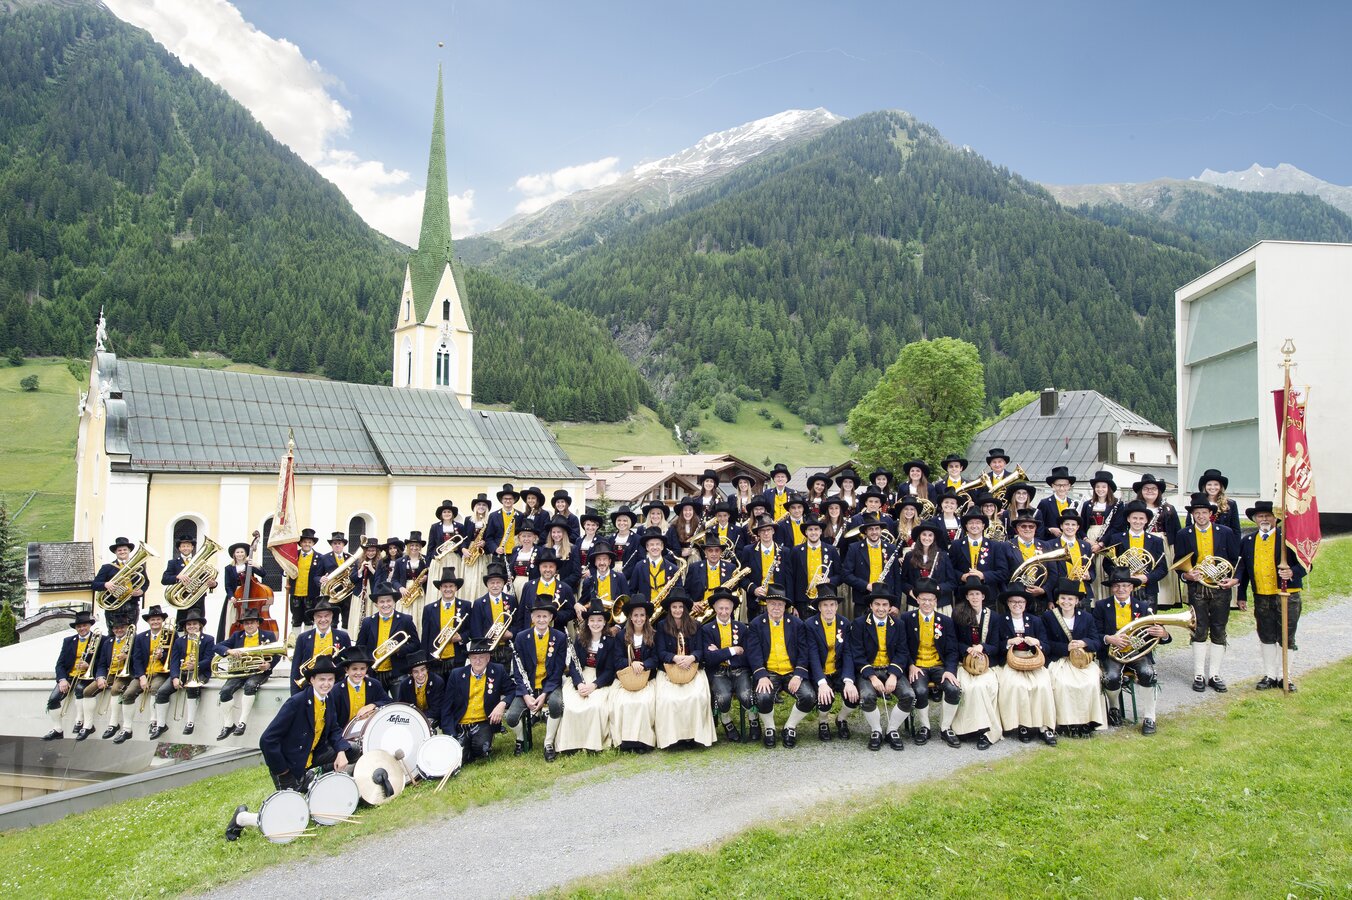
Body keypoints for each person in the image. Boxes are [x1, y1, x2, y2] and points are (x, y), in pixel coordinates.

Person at [1236, 500, 1308, 691]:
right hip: (1261, 595)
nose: (1264, 519)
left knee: (1287, 635)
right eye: (1260, 516)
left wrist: (1292, 572)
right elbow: (1243, 571)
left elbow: (1306, 562)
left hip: (1287, 594)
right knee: (1266, 634)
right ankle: (1270, 675)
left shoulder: (1288, 538)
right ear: (1254, 519)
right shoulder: (1247, 541)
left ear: (1276, 519)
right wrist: (1241, 595)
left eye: (1268, 515)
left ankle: (1285, 676)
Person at [1175, 492, 1241, 693]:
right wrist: (1187, 575)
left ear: (1211, 514)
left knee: (1219, 629)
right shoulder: (1183, 534)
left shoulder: (1225, 532)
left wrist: (1233, 578)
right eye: (1197, 513)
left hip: (1220, 587)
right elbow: (1178, 563)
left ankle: (1214, 674)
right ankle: (1198, 674)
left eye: (1204, 512)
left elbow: (1235, 559)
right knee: (1199, 629)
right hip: (1197, 588)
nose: (1201, 516)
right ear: (1192, 514)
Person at [255, 655, 349, 795]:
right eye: (322, 679)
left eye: (330, 679)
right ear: (312, 680)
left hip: (310, 755)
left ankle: (323, 780)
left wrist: (341, 752)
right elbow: (267, 739)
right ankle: (305, 780)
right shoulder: (296, 702)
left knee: (352, 750)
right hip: (289, 762)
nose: (326, 684)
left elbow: (334, 729)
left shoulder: (328, 698)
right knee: (293, 806)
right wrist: (283, 770)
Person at [1096, 568, 1168, 734]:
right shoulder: (1101, 606)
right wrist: (1109, 638)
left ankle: (1150, 717)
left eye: (1125, 585)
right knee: (1111, 677)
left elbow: (1157, 632)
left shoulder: (1143, 607)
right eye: (1116, 586)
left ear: (1131, 588)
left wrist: (1163, 634)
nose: (1121, 589)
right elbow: (1095, 633)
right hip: (1113, 652)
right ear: (1111, 588)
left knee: (1148, 673)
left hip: (1137, 652)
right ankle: (1114, 708)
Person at [746, 587, 814, 748]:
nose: (776, 607)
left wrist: (798, 674)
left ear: (785, 607)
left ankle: (790, 727)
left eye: (780, 604)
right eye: (772, 603)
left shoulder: (797, 624)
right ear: (766, 604)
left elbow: (804, 651)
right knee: (763, 697)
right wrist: (761, 675)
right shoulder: (756, 624)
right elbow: (753, 652)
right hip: (769, 672)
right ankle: (769, 727)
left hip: (792, 672)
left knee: (809, 696)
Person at [992, 585, 1057, 745]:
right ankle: (1023, 725)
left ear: (1026, 604)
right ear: (1007, 603)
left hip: (1033, 659)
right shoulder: (1000, 620)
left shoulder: (1035, 620)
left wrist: (1037, 642)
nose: (1017, 605)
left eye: (1020, 602)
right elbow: (994, 646)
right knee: (1017, 686)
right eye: (1013, 602)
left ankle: (1044, 726)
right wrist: (1008, 642)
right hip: (1011, 660)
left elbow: (1047, 646)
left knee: (1042, 685)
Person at [850, 584, 912, 750]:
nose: (881, 608)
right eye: (877, 604)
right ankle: (876, 730)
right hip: (869, 670)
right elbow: (857, 654)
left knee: (908, 695)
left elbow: (902, 652)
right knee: (868, 696)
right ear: (871, 605)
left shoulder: (898, 624)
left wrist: (893, 675)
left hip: (891, 669)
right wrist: (872, 677)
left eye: (885, 604)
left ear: (890, 607)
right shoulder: (859, 624)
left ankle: (892, 729)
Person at [1041, 579, 1106, 737]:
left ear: (1077, 601)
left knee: (1090, 681)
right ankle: (1066, 722)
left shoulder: (1086, 617)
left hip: (1081, 661)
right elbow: (1045, 643)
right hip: (1060, 659)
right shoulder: (1048, 616)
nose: (1066, 602)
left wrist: (1084, 643)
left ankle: (1087, 722)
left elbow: (1096, 641)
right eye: (1063, 598)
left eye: (1070, 599)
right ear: (1058, 600)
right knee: (1063, 683)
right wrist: (1065, 647)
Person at [505, 598, 567, 760]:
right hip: (528, 687)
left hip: (549, 685)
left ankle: (548, 742)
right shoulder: (521, 637)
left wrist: (544, 694)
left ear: (551, 618)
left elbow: (557, 671)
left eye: (545, 616)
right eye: (538, 616)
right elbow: (518, 671)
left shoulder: (559, 637)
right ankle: (521, 738)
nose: (541, 620)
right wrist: (526, 695)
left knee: (556, 704)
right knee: (511, 717)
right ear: (532, 618)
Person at [654, 589, 716, 749]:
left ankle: (694, 737)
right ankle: (673, 738)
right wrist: (674, 658)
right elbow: (660, 652)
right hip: (670, 669)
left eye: (680, 607)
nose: (677, 610)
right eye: (674, 607)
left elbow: (700, 650)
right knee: (668, 699)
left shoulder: (696, 625)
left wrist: (691, 657)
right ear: (669, 609)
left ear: (685, 608)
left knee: (697, 697)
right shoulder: (661, 626)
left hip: (692, 667)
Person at [902, 579, 961, 746]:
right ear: (917, 600)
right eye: (923, 599)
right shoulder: (907, 618)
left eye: (931, 600)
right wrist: (910, 665)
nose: (927, 603)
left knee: (953, 689)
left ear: (936, 601)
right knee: (920, 690)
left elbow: (952, 650)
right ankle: (925, 727)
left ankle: (945, 728)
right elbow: (901, 646)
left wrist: (950, 670)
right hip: (918, 666)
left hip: (939, 666)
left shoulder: (946, 621)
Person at [555, 601, 616, 753]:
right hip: (581, 676)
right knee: (571, 706)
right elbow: (573, 665)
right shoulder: (580, 639)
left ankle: (592, 744)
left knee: (595, 706)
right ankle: (571, 745)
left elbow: (610, 670)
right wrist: (579, 684)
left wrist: (594, 685)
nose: (596, 624)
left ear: (604, 622)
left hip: (600, 679)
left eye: (599, 620)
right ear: (587, 622)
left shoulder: (610, 641)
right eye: (592, 620)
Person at [949, 577, 1002, 750]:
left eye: (977, 594)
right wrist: (968, 649)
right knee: (967, 687)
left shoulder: (993, 617)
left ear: (983, 596)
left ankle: (986, 730)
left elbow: (996, 646)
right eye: (971, 594)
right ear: (967, 596)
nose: (974, 597)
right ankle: (966, 729)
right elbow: (954, 642)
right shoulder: (958, 614)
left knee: (984, 686)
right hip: (965, 663)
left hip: (986, 665)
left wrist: (982, 647)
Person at [802, 586, 857, 742]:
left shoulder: (844, 623)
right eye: (825, 605)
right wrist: (821, 682)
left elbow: (847, 653)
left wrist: (848, 680)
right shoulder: (810, 624)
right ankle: (823, 721)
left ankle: (841, 719)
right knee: (825, 698)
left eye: (832, 604)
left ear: (837, 606)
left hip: (838, 671)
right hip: (819, 671)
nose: (829, 609)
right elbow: (812, 655)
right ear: (819, 607)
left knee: (853, 697)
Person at [212, 610, 279, 740]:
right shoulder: (237, 636)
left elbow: (276, 655)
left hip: (258, 671)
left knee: (250, 685)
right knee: (225, 691)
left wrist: (268, 665)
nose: (249, 625)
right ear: (243, 625)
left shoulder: (268, 635)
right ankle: (228, 724)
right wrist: (229, 651)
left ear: (258, 623)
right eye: (246, 623)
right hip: (239, 672)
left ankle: (242, 722)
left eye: (252, 622)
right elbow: (217, 646)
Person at [700, 587, 756, 743]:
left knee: (746, 696)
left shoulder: (742, 628)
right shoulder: (706, 629)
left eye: (727, 608)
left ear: (732, 609)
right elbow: (709, 659)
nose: (724, 612)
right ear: (714, 608)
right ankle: (726, 721)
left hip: (740, 670)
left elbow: (746, 655)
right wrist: (732, 650)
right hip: (718, 672)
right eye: (720, 608)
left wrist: (720, 653)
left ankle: (753, 719)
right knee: (723, 698)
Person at [442, 638, 510, 763]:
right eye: (474, 657)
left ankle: (481, 742)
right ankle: (465, 748)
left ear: (488, 658)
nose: (477, 661)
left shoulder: (498, 671)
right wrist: (450, 734)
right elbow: (447, 706)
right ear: (469, 658)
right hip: (461, 723)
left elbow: (513, 690)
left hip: (482, 722)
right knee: (457, 757)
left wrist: (502, 704)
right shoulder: (456, 674)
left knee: (482, 749)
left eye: (481, 657)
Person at [608, 594, 658, 752]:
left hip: (646, 678)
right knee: (622, 702)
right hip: (626, 679)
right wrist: (631, 663)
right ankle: (626, 741)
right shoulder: (621, 636)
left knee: (644, 702)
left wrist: (643, 665)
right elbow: (617, 660)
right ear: (630, 617)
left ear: (646, 617)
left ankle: (643, 741)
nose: (639, 618)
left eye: (642, 615)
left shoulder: (653, 634)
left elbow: (656, 658)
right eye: (635, 615)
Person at [42, 609, 100, 741]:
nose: (82, 628)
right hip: (70, 676)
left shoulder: (99, 639)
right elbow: (60, 664)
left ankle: (81, 722)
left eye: (84, 625)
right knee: (53, 699)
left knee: (80, 690)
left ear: (90, 626)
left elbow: (103, 661)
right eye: (79, 626)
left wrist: (89, 666)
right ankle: (57, 729)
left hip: (88, 676)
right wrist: (62, 679)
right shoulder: (68, 641)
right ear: (75, 628)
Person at [120, 604, 175, 741]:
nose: (155, 622)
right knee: (127, 694)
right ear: (148, 621)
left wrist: (162, 656)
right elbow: (136, 659)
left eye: (158, 619)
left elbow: (174, 656)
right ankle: (127, 728)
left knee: (155, 689)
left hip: (161, 672)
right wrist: (141, 677)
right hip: (144, 673)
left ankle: (154, 722)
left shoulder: (171, 635)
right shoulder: (140, 637)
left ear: (162, 621)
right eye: (152, 619)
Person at [158, 611, 214, 736]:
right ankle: (161, 725)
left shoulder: (208, 639)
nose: (192, 626)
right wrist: (175, 677)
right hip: (182, 671)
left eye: (194, 624)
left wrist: (196, 665)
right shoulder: (179, 641)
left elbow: (209, 658)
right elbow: (174, 661)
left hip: (199, 671)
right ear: (185, 627)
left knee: (191, 688)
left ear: (200, 625)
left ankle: (190, 722)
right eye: (189, 624)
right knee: (162, 692)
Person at [1100, 501, 1168, 603]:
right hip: (1122, 589)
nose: (1138, 521)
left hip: (1148, 590)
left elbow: (1162, 569)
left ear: (1146, 520)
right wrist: (1123, 576)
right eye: (1134, 518)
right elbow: (1107, 564)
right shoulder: (1116, 538)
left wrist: (1147, 577)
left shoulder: (1156, 541)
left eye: (1141, 518)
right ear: (1128, 519)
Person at [1130, 473, 1181, 607]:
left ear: (1159, 491)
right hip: (1139, 542)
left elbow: (1177, 531)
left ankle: (1161, 603)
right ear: (1141, 491)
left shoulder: (1168, 508)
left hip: (1162, 543)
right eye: (1146, 488)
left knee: (1160, 571)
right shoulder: (1133, 507)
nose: (1150, 491)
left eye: (1153, 488)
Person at [356, 583, 419, 690]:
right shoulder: (367, 622)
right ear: (376, 604)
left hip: (398, 672)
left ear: (394, 602)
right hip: (374, 673)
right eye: (382, 601)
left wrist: (399, 649)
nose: (385, 604)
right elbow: (360, 647)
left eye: (388, 601)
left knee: (399, 701)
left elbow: (416, 644)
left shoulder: (405, 620)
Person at [84, 617, 136, 741]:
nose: (119, 630)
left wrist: (127, 657)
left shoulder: (134, 640)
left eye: (122, 627)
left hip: (126, 674)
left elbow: (140, 659)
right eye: (116, 628)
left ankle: (113, 724)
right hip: (110, 673)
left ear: (127, 628)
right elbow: (102, 663)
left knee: (115, 689)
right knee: (87, 692)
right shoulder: (108, 642)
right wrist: (100, 677)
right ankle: (88, 725)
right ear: (112, 630)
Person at [289, 599, 352, 694]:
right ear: (314, 618)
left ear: (332, 617)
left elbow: (348, 663)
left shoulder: (343, 636)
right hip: (308, 687)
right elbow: (295, 667)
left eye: (326, 616)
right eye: (319, 616)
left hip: (335, 688)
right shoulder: (303, 638)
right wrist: (294, 694)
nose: (323, 620)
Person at [845, 515, 902, 615]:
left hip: (886, 601)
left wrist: (896, 604)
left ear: (881, 530)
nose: (874, 532)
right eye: (871, 529)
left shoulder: (891, 548)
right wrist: (866, 586)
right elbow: (846, 574)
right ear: (865, 531)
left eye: (877, 529)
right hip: (863, 601)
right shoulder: (854, 548)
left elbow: (897, 578)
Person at [788, 514, 842, 618]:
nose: (813, 532)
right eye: (810, 529)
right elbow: (791, 579)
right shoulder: (796, 551)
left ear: (821, 531)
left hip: (825, 600)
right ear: (806, 532)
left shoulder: (831, 550)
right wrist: (793, 605)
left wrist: (829, 580)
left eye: (816, 529)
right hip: (802, 602)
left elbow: (840, 575)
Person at [468, 562, 520, 666]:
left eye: (498, 582)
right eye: (492, 583)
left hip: (507, 648)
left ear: (503, 583)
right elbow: (476, 629)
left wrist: (511, 633)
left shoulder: (511, 600)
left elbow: (518, 623)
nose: (495, 586)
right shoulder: (479, 603)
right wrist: (483, 648)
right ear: (487, 584)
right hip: (487, 650)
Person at [948, 509, 1011, 594]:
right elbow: (949, 569)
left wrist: (983, 575)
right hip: (963, 593)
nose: (974, 526)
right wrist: (961, 576)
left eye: (978, 523)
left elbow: (1003, 573)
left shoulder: (995, 546)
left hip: (988, 594)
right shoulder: (956, 545)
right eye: (971, 523)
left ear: (983, 526)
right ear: (966, 526)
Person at [421, 569, 468, 679]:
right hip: (435, 659)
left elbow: (471, 630)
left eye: (451, 586)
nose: (448, 589)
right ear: (440, 588)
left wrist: (461, 637)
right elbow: (425, 637)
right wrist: (424, 661)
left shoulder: (465, 606)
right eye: (445, 586)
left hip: (457, 659)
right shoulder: (429, 609)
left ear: (456, 588)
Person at [684, 528, 739, 621]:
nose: (714, 554)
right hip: (700, 614)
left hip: (723, 614)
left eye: (717, 550)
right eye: (710, 550)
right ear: (705, 552)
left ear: (721, 552)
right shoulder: (694, 568)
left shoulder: (731, 568)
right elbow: (685, 591)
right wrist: (692, 603)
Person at [738, 515, 786, 622]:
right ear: (758, 533)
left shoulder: (784, 551)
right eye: (762, 530)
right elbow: (742, 578)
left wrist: (790, 605)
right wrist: (754, 589)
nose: (766, 533)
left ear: (773, 531)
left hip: (778, 604)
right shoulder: (748, 551)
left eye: (768, 530)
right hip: (756, 605)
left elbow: (789, 580)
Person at [92, 536, 146, 628]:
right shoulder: (107, 567)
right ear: (115, 552)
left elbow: (146, 582)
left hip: (131, 605)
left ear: (129, 551)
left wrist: (141, 591)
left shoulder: (138, 566)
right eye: (119, 550)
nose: (122, 552)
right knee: (113, 632)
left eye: (125, 549)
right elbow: (94, 585)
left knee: (131, 631)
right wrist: (105, 584)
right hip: (113, 606)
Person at [160, 533, 213, 628]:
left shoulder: (200, 562)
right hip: (183, 599)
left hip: (198, 599)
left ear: (192, 547)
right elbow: (164, 580)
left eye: (188, 546)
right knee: (182, 625)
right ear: (179, 548)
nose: (186, 548)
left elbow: (208, 577)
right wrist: (177, 577)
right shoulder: (173, 563)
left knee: (198, 625)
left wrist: (213, 584)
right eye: (183, 546)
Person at [331, 645, 391, 728]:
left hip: (368, 730)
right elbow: (332, 719)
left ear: (367, 669)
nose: (358, 673)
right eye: (354, 669)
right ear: (346, 670)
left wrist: (373, 705)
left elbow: (388, 702)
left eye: (362, 669)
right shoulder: (336, 689)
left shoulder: (374, 684)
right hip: (343, 731)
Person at [901, 523, 957, 611]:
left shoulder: (943, 556)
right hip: (916, 604)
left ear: (934, 538)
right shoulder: (909, 556)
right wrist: (910, 591)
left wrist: (938, 588)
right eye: (924, 534)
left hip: (940, 605)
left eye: (930, 535)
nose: (927, 538)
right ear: (919, 536)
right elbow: (903, 581)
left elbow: (952, 582)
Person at [518, 547, 577, 629]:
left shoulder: (565, 588)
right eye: (544, 566)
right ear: (539, 568)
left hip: (555, 632)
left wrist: (555, 615)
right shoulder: (529, 586)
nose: (548, 570)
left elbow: (572, 613)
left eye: (551, 567)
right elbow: (521, 613)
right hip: (531, 632)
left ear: (556, 568)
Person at [220, 540, 267, 637]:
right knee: (232, 618)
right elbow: (228, 585)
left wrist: (256, 564)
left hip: (250, 595)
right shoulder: (229, 568)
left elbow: (263, 574)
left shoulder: (249, 565)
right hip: (236, 596)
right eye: (237, 552)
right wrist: (231, 596)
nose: (240, 554)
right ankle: (232, 637)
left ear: (245, 553)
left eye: (242, 552)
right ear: (234, 554)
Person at [1006, 511, 1053, 608]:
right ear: (1017, 529)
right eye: (1023, 526)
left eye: (1031, 526)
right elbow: (1003, 573)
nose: (1027, 529)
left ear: (1035, 529)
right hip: (1015, 599)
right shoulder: (1006, 546)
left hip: (1039, 599)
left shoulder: (1045, 545)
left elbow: (1053, 573)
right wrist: (1010, 594)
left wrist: (1043, 590)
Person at [577, 539, 629, 624]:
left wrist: (618, 627)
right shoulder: (588, 581)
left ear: (609, 561)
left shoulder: (620, 578)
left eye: (605, 559)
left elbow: (627, 605)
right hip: (595, 625)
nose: (602, 563)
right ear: (595, 562)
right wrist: (577, 605)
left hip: (614, 624)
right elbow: (583, 601)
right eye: (599, 559)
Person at [1051, 510, 1096, 607]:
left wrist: (1089, 576)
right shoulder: (1051, 545)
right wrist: (1050, 599)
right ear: (1061, 526)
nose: (1070, 527)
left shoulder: (1086, 546)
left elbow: (1092, 569)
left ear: (1078, 527)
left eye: (1073, 525)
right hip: (1060, 594)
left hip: (1082, 593)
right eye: (1067, 524)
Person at [392, 651, 444, 732]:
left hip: (433, 719)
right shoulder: (405, 685)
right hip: (412, 719)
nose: (420, 675)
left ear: (427, 669)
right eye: (416, 672)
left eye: (423, 670)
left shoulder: (437, 681)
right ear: (411, 673)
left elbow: (437, 709)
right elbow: (402, 706)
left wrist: (419, 718)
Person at [628, 528, 681, 600]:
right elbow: (632, 591)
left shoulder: (673, 568)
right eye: (651, 544)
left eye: (658, 544)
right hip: (645, 606)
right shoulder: (639, 567)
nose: (655, 547)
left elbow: (678, 594)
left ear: (662, 546)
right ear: (647, 547)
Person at [1080, 471, 1123, 557]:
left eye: (1104, 487)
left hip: (1107, 540)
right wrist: (1087, 540)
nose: (1100, 489)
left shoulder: (1117, 505)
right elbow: (1081, 526)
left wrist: (1101, 543)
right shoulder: (1087, 504)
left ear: (1109, 488)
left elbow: (1116, 527)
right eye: (1097, 486)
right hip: (1089, 541)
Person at [459, 494, 493, 600]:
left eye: (484, 505)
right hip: (470, 552)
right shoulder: (468, 520)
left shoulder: (490, 520)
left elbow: (492, 537)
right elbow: (464, 538)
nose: (481, 507)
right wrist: (463, 549)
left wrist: (485, 543)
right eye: (479, 504)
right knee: (468, 582)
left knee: (481, 581)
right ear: (475, 507)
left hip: (482, 554)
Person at [287, 528, 323, 627]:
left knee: (309, 620)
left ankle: (309, 637)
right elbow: (284, 568)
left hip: (311, 595)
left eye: (309, 542)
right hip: (295, 594)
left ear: (313, 543)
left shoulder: (320, 557)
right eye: (304, 542)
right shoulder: (293, 555)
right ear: (300, 543)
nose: (307, 544)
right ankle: (295, 637)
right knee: (296, 621)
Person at [316, 532, 353, 629]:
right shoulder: (324, 558)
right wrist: (320, 579)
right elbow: (316, 576)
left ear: (343, 545)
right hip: (331, 595)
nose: (337, 545)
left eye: (339, 543)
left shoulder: (350, 558)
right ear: (331, 545)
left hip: (347, 594)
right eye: (335, 543)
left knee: (347, 620)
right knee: (332, 621)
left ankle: (345, 637)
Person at [483, 483, 526, 563]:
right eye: (505, 498)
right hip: (499, 554)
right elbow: (489, 537)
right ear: (501, 500)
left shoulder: (520, 515)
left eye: (510, 499)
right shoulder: (493, 516)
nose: (508, 501)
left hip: (516, 553)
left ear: (514, 500)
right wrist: (495, 549)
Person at [1036, 467, 1079, 541]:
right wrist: (1049, 529)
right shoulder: (1045, 503)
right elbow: (1038, 525)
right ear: (1053, 486)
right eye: (1058, 485)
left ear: (1069, 486)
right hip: (1050, 543)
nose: (1062, 488)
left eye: (1065, 485)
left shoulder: (1074, 504)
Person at [541, 518, 581, 596]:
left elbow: (576, 573)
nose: (556, 535)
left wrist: (560, 584)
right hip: (547, 589)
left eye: (559, 532)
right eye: (553, 532)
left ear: (564, 533)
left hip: (566, 589)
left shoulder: (572, 549)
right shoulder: (544, 548)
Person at [1197, 468, 1241, 533]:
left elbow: (1236, 530)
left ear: (1220, 487)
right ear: (1205, 487)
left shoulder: (1230, 504)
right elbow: (1189, 526)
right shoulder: (1197, 503)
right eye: (1209, 484)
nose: (1212, 487)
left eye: (1216, 484)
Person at [394, 531, 430, 606]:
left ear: (420, 547)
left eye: (417, 545)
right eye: (412, 545)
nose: (414, 547)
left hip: (420, 592)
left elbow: (431, 574)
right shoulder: (399, 561)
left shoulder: (426, 560)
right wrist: (400, 588)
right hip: (405, 593)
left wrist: (426, 577)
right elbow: (394, 580)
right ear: (408, 546)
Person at [507, 521, 541, 598]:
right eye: (523, 536)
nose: (526, 539)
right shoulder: (515, 550)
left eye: (529, 536)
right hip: (516, 584)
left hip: (532, 585)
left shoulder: (540, 551)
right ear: (519, 537)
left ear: (534, 538)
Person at [608, 505, 639, 570]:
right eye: (619, 520)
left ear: (629, 522)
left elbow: (640, 561)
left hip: (631, 575)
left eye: (625, 520)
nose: (621, 523)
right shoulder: (610, 539)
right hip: (612, 574)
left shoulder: (637, 539)